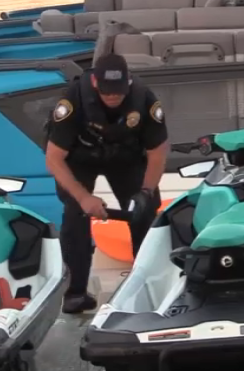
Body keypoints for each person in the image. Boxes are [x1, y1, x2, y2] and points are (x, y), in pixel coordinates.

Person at [44, 53, 169, 314]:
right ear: (94, 84)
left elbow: (158, 152)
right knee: (74, 214)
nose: (113, 97)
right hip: (80, 158)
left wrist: (145, 192)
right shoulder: (72, 101)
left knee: (144, 212)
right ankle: (75, 292)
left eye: (119, 92)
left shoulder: (145, 99)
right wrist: (83, 197)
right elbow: (54, 160)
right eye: (107, 92)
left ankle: (148, 283)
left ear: (129, 84)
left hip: (125, 157)